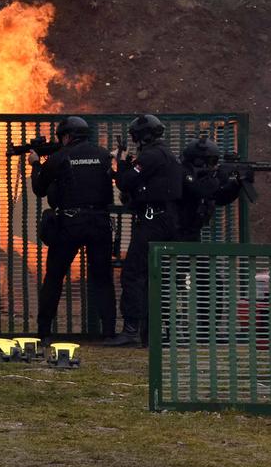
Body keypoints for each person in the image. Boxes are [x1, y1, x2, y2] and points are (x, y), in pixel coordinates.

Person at [28, 116, 115, 344]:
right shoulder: (103, 155)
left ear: (66, 136)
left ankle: (45, 332)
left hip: (71, 223)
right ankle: (108, 332)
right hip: (100, 223)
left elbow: (39, 189)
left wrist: (36, 164)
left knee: (54, 277)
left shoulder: (60, 157)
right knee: (103, 278)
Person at [105, 114, 184, 347]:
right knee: (154, 277)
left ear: (144, 136)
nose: (135, 140)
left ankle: (131, 331)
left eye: (136, 137)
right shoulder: (164, 155)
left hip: (153, 221)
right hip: (164, 219)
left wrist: (120, 163)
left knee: (133, 273)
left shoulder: (151, 156)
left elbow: (126, 181)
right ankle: (150, 334)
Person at [176, 137, 244, 242]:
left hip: (191, 232)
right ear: (198, 160)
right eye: (212, 161)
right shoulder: (181, 172)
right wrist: (218, 177)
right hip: (174, 233)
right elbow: (199, 190)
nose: (214, 165)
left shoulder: (201, 177)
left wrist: (235, 185)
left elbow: (219, 198)